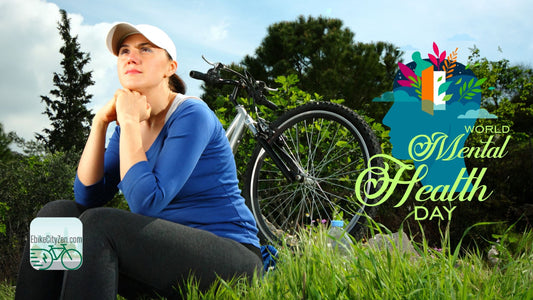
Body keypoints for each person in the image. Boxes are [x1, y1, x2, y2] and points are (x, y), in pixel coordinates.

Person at [16, 22, 262, 299]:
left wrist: (130, 120)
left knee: (98, 224)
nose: (131, 57)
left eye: (145, 49)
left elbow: (146, 201)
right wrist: (100, 124)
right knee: (58, 215)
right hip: (161, 260)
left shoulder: (192, 114)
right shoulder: (126, 129)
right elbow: (88, 196)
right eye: (124, 51)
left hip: (231, 261)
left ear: (170, 67)